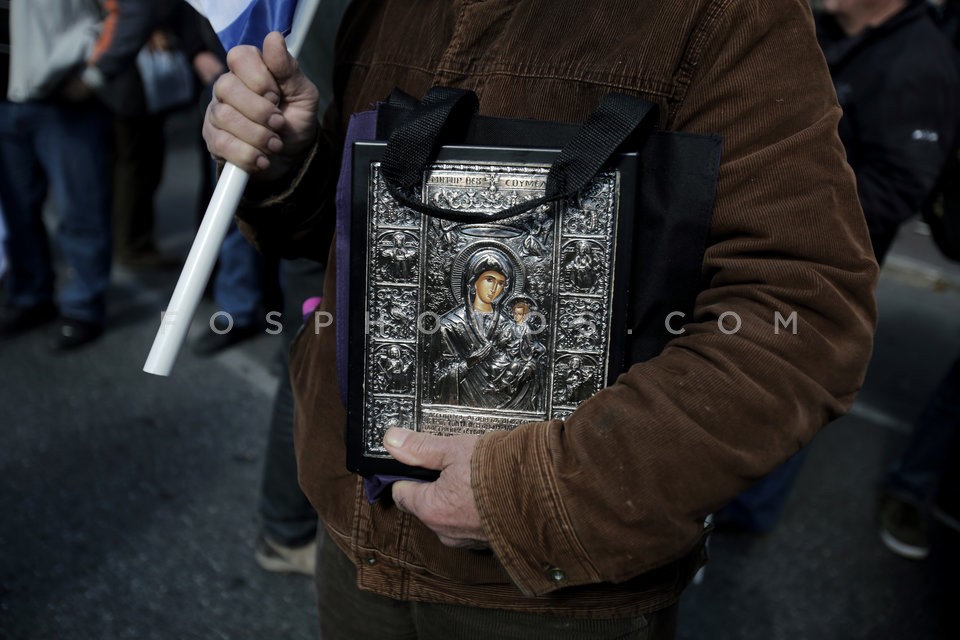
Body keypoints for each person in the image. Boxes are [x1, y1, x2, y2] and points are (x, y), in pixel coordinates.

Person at [204, 1, 878, 637]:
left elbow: (802, 315)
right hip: (356, 531)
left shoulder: (726, 14)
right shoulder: (378, 4)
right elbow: (361, 243)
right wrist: (292, 166)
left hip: (545, 591)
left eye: (499, 279)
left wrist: (530, 494)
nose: (492, 287)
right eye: (487, 280)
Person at [0, 0, 156, 350]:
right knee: (17, 212)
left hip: (63, 97)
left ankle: (84, 306)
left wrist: (96, 73)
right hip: (6, 102)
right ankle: (30, 296)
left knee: (80, 209)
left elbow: (133, 10)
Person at [816, 0, 960, 264]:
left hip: (825, 262)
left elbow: (898, 183)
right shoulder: (822, 30)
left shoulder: (920, 65)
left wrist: (798, 209)